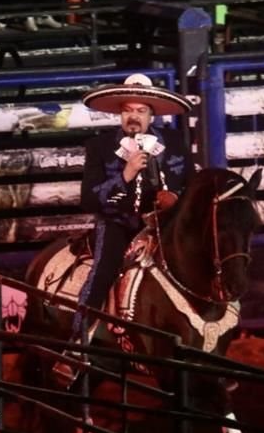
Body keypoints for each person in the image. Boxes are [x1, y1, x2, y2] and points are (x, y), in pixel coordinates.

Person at [67, 74, 194, 353]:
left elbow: (191, 185)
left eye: (140, 110)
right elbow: (89, 200)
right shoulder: (99, 146)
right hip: (118, 224)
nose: (133, 117)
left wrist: (175, 197)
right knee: (103, 271)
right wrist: (125, 175)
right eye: (127, 110)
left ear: (151, 115)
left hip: (166, 225)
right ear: (120, 114)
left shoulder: (175, 143)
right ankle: (77, 343)